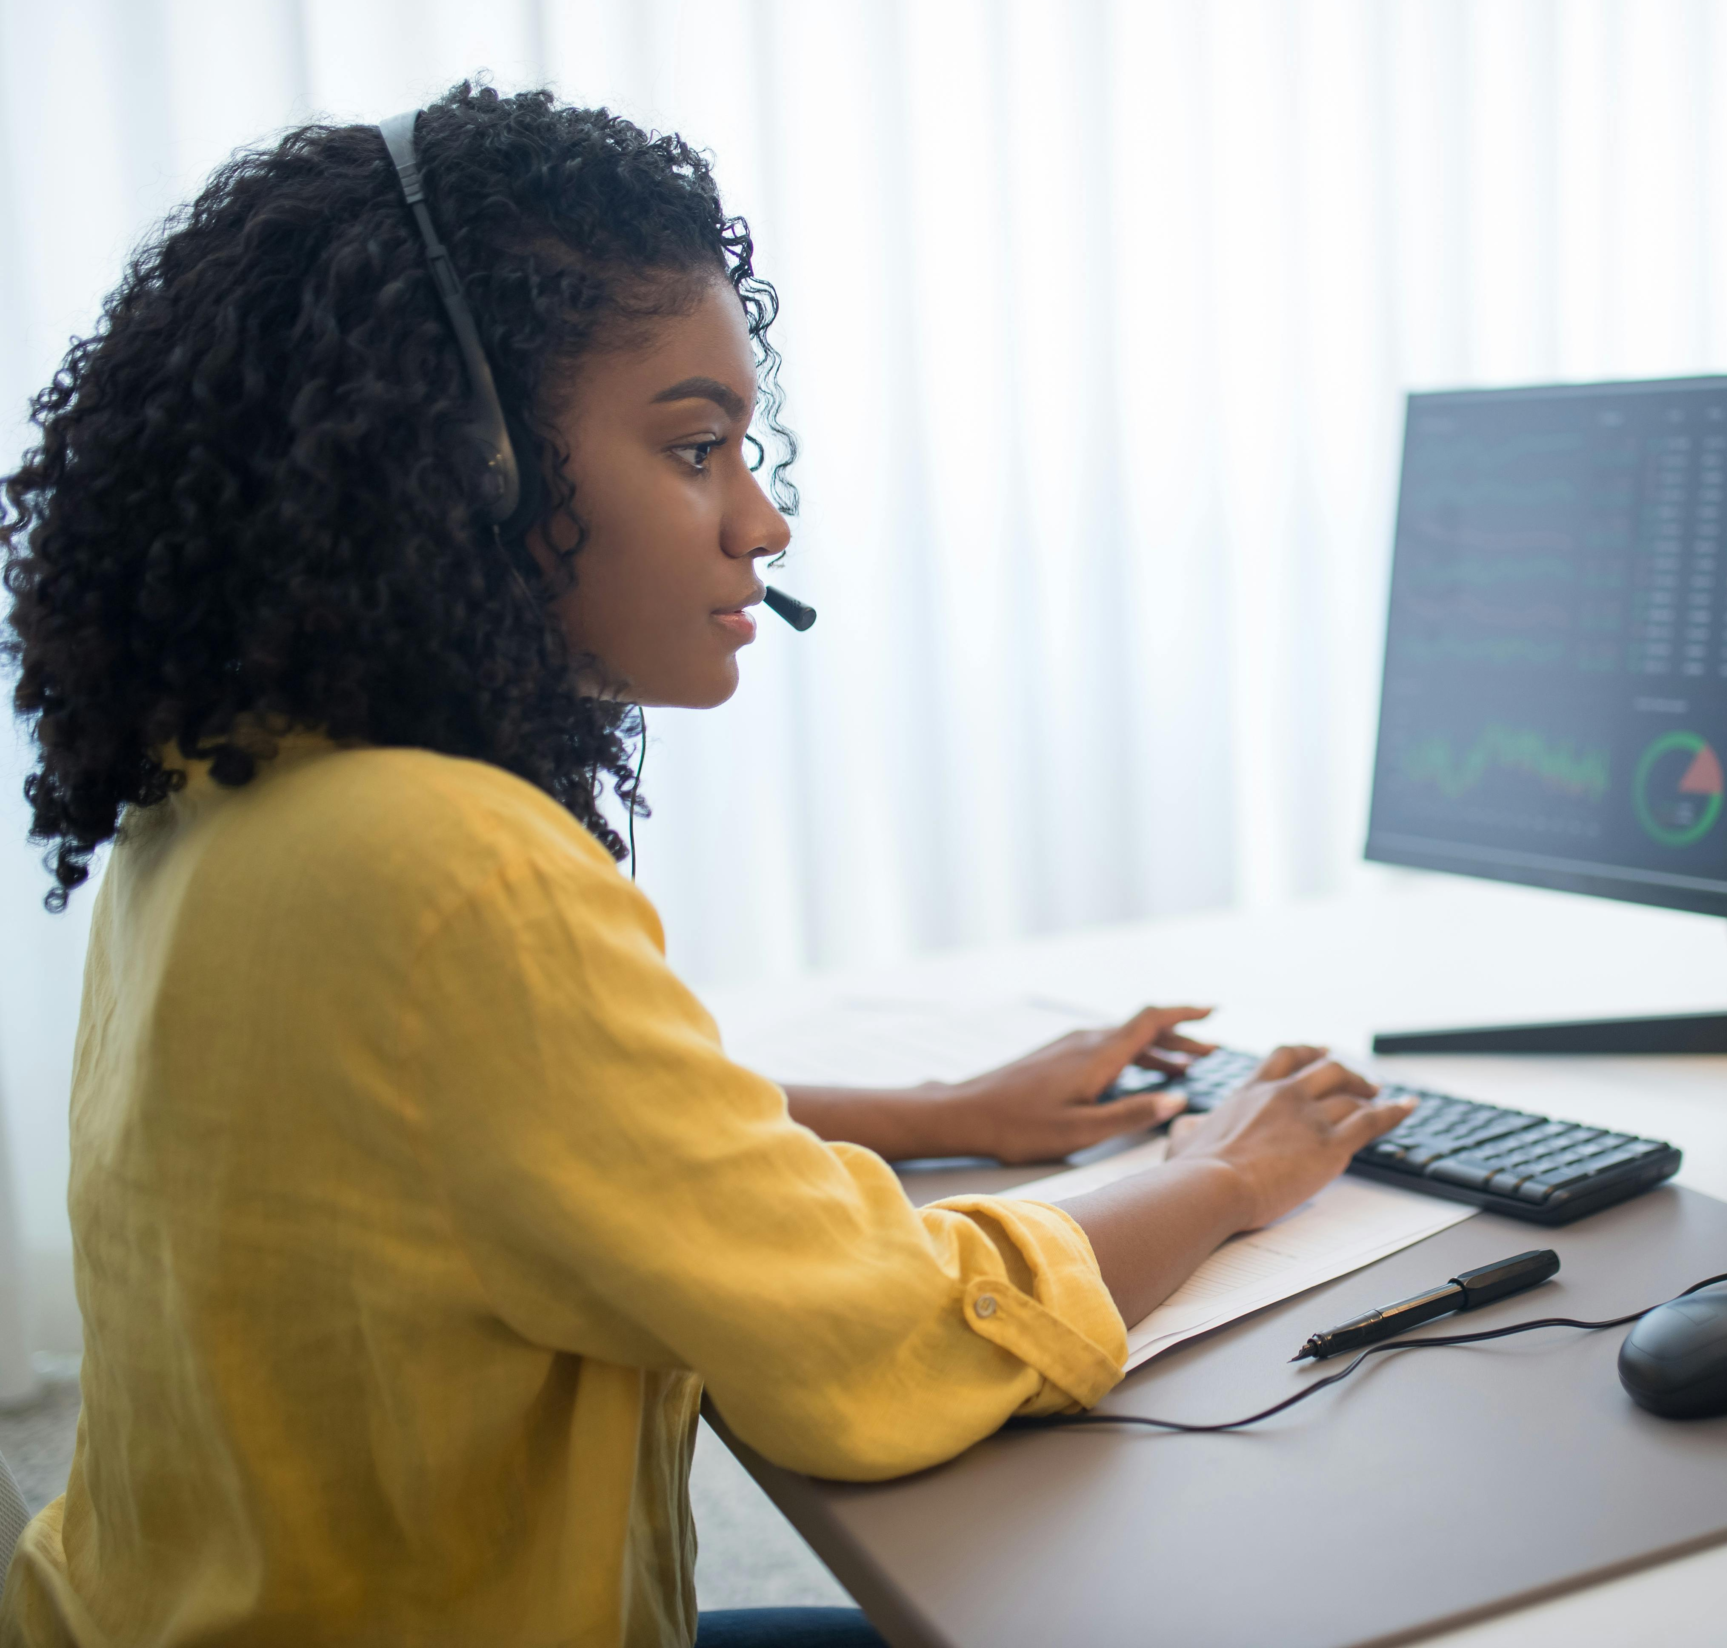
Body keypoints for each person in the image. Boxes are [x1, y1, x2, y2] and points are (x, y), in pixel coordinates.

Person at [0, 85, 1411, 1648]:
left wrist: (947, 1121)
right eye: (693, 448)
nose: (764, 520)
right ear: (461, 469)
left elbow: (528, 1143)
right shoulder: (446, 865)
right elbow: (881, 1355)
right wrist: (1225, 1174)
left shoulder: (242, 785)